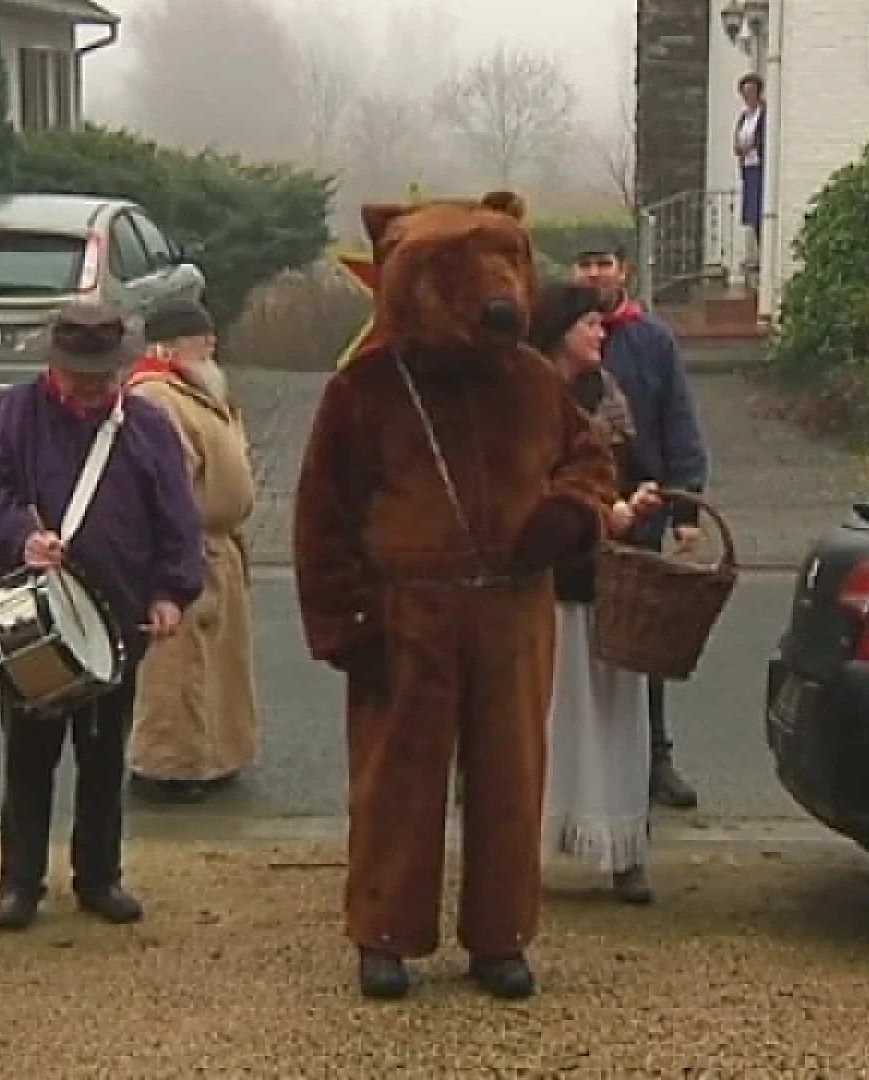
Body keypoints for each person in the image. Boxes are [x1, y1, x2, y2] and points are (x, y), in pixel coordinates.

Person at [295, 192, 617, 1002]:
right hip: (407, 612)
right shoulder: (366, 390)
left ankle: (501, 935)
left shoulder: (534, 382)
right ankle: (385, 933)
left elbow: (591, 461)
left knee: (512, 776)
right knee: (396, 781)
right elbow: (322, 515)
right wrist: (345, 621)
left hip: (513, 611)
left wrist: (567, 516)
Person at [0, 301, 205, 932]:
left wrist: (171, 593)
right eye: (80, 374)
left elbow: (177, 522)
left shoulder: (148, 427)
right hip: (31, 618)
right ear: (53, 364)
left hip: (118, 617)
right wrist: (20, 537)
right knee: (28, 758)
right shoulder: (9, 416)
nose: (93, 386)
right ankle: (19, 882)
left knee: (103, 757)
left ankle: (99, 875)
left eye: (102, 374)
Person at [532, 284, 669, 906]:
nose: (600, 333)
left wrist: (638, 504)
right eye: (589, 322)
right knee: (551, 720)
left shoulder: (609, 397)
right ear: (561, 329)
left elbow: (637, 468)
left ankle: (623, 849)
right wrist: (594, 510)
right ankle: (531, 847)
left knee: (619, 717)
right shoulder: (528, 400)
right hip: (552, 579)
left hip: (612, 582)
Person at [571, 239, 710, 811]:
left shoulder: (652, 340)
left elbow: (679, 420)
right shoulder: (555, 338)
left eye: (604, 262)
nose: (596, 272)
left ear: (622, 269)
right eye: (586, 263)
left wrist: (686, 508)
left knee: (643, 646)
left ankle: (654, 759)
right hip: (581, 515)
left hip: (644, 507)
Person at [123, 297, 260, 804]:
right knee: (178, 666)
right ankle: (168, 765)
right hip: (186, 544)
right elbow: (165, 486)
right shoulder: (158, 399)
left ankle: (213, 757)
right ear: (175, 344)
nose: (212, 344)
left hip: (217, 541)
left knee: (216, 664)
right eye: (201, 337)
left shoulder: (199, 393)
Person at [734, 73, 767, 270]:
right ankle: (759, 253)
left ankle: (765, 254)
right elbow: (738, 139)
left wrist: (752, 146)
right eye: (744, 93)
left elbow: (763, 139)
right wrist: (739, 148)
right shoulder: (744, 116)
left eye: (751, 92)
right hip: (748, 167)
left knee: (760, 211)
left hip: (760, 167)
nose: (748, 96)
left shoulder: (764, 114)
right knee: (753, 215)